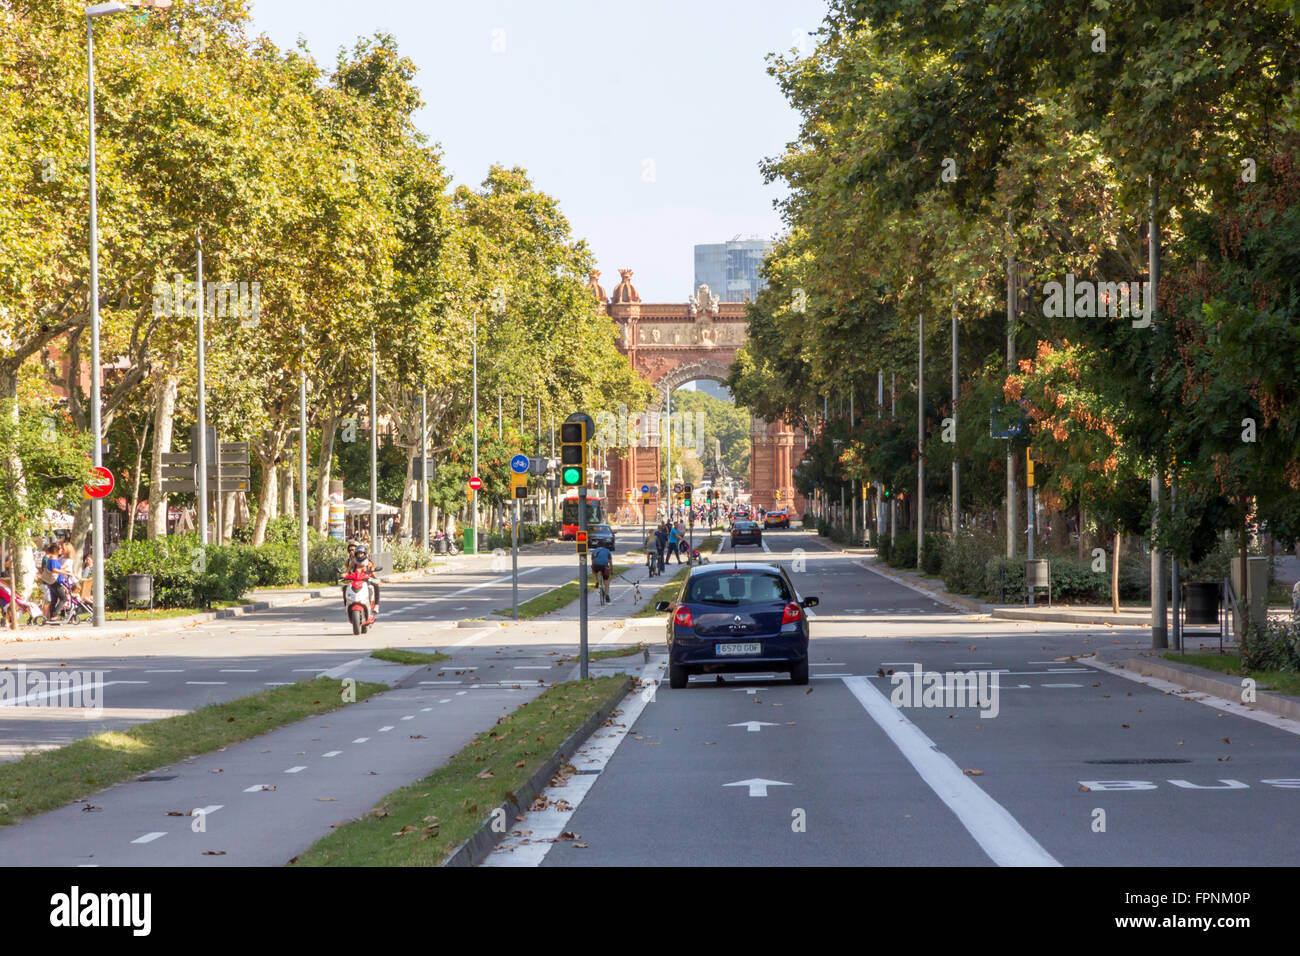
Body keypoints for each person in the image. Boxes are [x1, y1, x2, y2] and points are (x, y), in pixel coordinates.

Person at [342, 543, 381, 611]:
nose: (359, 555)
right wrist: (343, 575)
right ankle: (347, 606)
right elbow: (347, 571)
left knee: (375, 586)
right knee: (345, 588)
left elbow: (373, 572)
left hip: (366, 581)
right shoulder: (353, 562)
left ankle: (376, 605)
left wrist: (374, 574)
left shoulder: (368, 562)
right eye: (358, 554)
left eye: (361, 553)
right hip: (355, 581)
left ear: (364, 554)